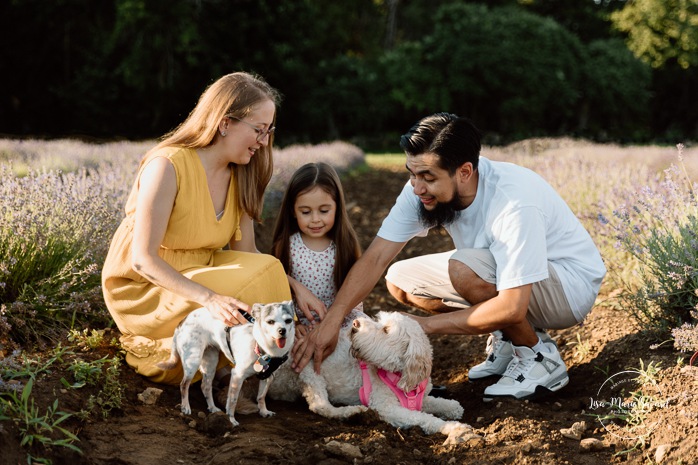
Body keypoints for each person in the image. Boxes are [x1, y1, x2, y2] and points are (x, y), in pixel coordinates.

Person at [292, 112, 606, 401]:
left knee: (464, 269)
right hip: (513, 277)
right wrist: (332, 321)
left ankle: (539, 357)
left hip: (567, 287)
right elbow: (375, 259)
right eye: (411, 174)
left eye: (427, 177)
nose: (416, 187)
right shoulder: (421, 187)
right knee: (401, 280)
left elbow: (512, 306)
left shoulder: (513, 202)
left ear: (465, 171)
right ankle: (509, 340)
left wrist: (423, 326)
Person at [102, 72, 292, 385]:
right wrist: (210, 298)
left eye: (269, 131)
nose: (265, 141)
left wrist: (296, 289)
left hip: (200, 271)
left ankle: (250, 370)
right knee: (243, 290)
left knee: (267, 268)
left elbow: (249, 256)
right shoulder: (168, 165)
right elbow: (142, 260)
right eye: (259, 130)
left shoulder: (242, 175)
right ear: (225, 122)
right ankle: (244, 369)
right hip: (148, 289)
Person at [271, 162, 364, 337]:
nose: (315, 219)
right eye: (306, 212)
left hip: (342, 322)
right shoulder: (286, 246)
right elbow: (279, 292)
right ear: (293, 211)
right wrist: (294, 322)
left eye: (324, 211)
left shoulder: (345, 244)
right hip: (302, 325)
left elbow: (355, 291)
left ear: (337, 207)